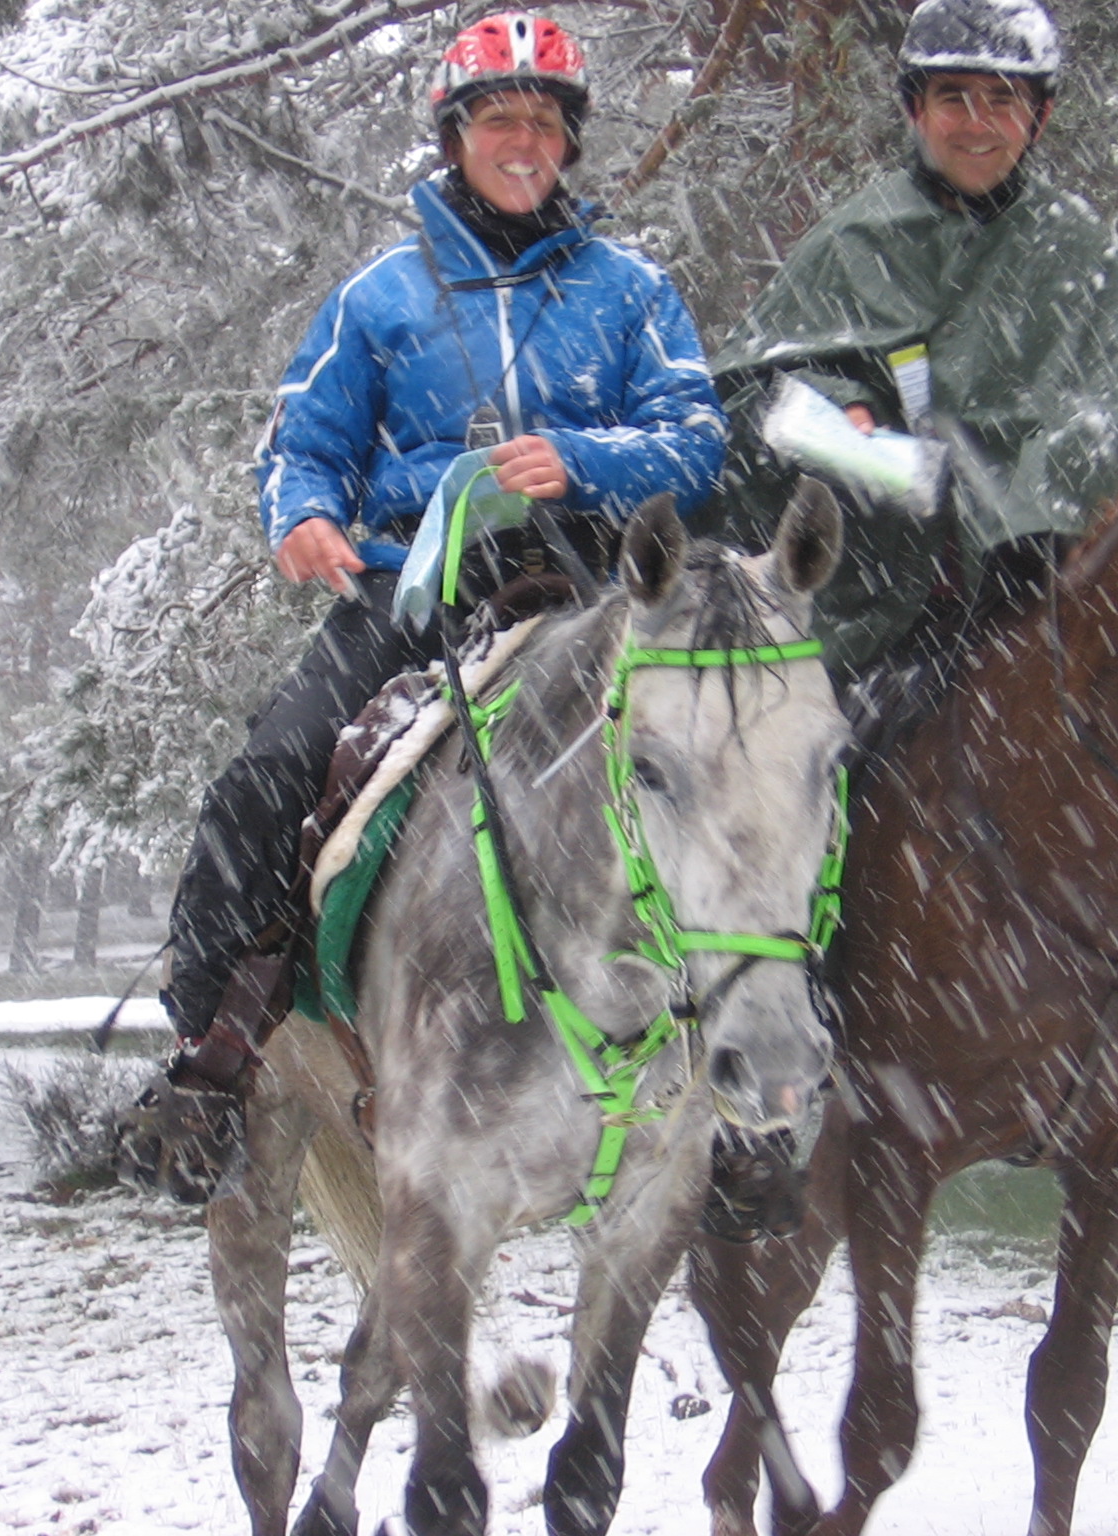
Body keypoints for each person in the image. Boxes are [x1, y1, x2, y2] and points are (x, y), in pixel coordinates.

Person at [695, 0, 1118, 1234]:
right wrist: (906, 474)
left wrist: (1027, 503)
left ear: (1035, 117)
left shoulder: (1086, 257)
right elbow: (772, 410)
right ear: (915, 111)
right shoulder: (851, 245)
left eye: (1001, 101)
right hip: (892, 595)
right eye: (953, 99)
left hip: (1053, 586)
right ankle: (777, 1009)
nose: (977, 122)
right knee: (808, 766)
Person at [123, 13, 729, 1201]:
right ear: (455, 138)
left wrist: (583, 461)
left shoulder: (632, 293)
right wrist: (298, 516)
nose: (522, 141)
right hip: (416, 597)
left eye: (543, 123)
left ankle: (757, 1060)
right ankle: (212, 1059)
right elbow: (303, 442)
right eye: (498, 119)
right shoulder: (379, 298)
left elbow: (695, 438)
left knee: (745, 765)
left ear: (568, 144)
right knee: (269, 775)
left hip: (592, 596)